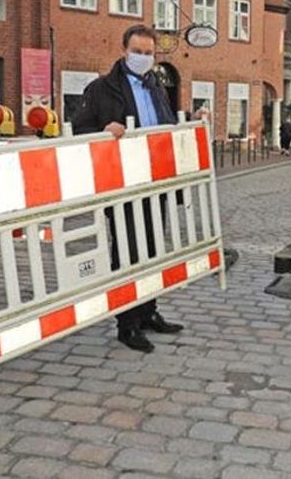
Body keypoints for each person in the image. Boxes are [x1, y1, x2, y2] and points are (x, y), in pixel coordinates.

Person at [71, 25, 186, 354]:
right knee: (128, 254)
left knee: (152, 251)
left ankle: (149, 311)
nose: (143, 58)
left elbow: (165, 126)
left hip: (155, 181)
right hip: (123, 185)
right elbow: (80, 128)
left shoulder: (156, 86)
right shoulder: (102, 89)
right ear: (124, 51)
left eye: (149, 53)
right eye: (138, 51)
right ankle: (128, 324)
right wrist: (104, 130)